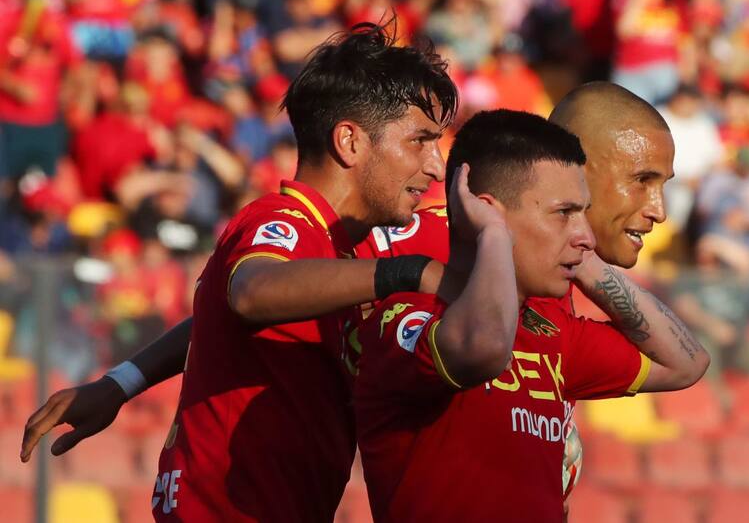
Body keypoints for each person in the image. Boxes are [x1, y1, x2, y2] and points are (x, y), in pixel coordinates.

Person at [21, 82, 677, 513]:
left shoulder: (555, 277)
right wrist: (124, 380)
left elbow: (681, 361)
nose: (659, 208)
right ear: (578, 166)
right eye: (642, 179)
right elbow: (268, 294)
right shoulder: (433, 240)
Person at [24, 20, 458, 523]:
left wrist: (121, 382)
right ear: (350, 142)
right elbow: (252, 295)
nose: (435, 165)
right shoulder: (282, 221)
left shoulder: (333, 249)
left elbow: (216, 315)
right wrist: (404, 272)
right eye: (420, 141)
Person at [353, 109, 709, 522]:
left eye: (583, 213)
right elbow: (485, 349)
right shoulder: (406, 317)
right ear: (487, 211)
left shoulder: (552, 332)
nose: (586, 236)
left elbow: (686, 362)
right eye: (564, 213)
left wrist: (584, 262)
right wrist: (493, 236)